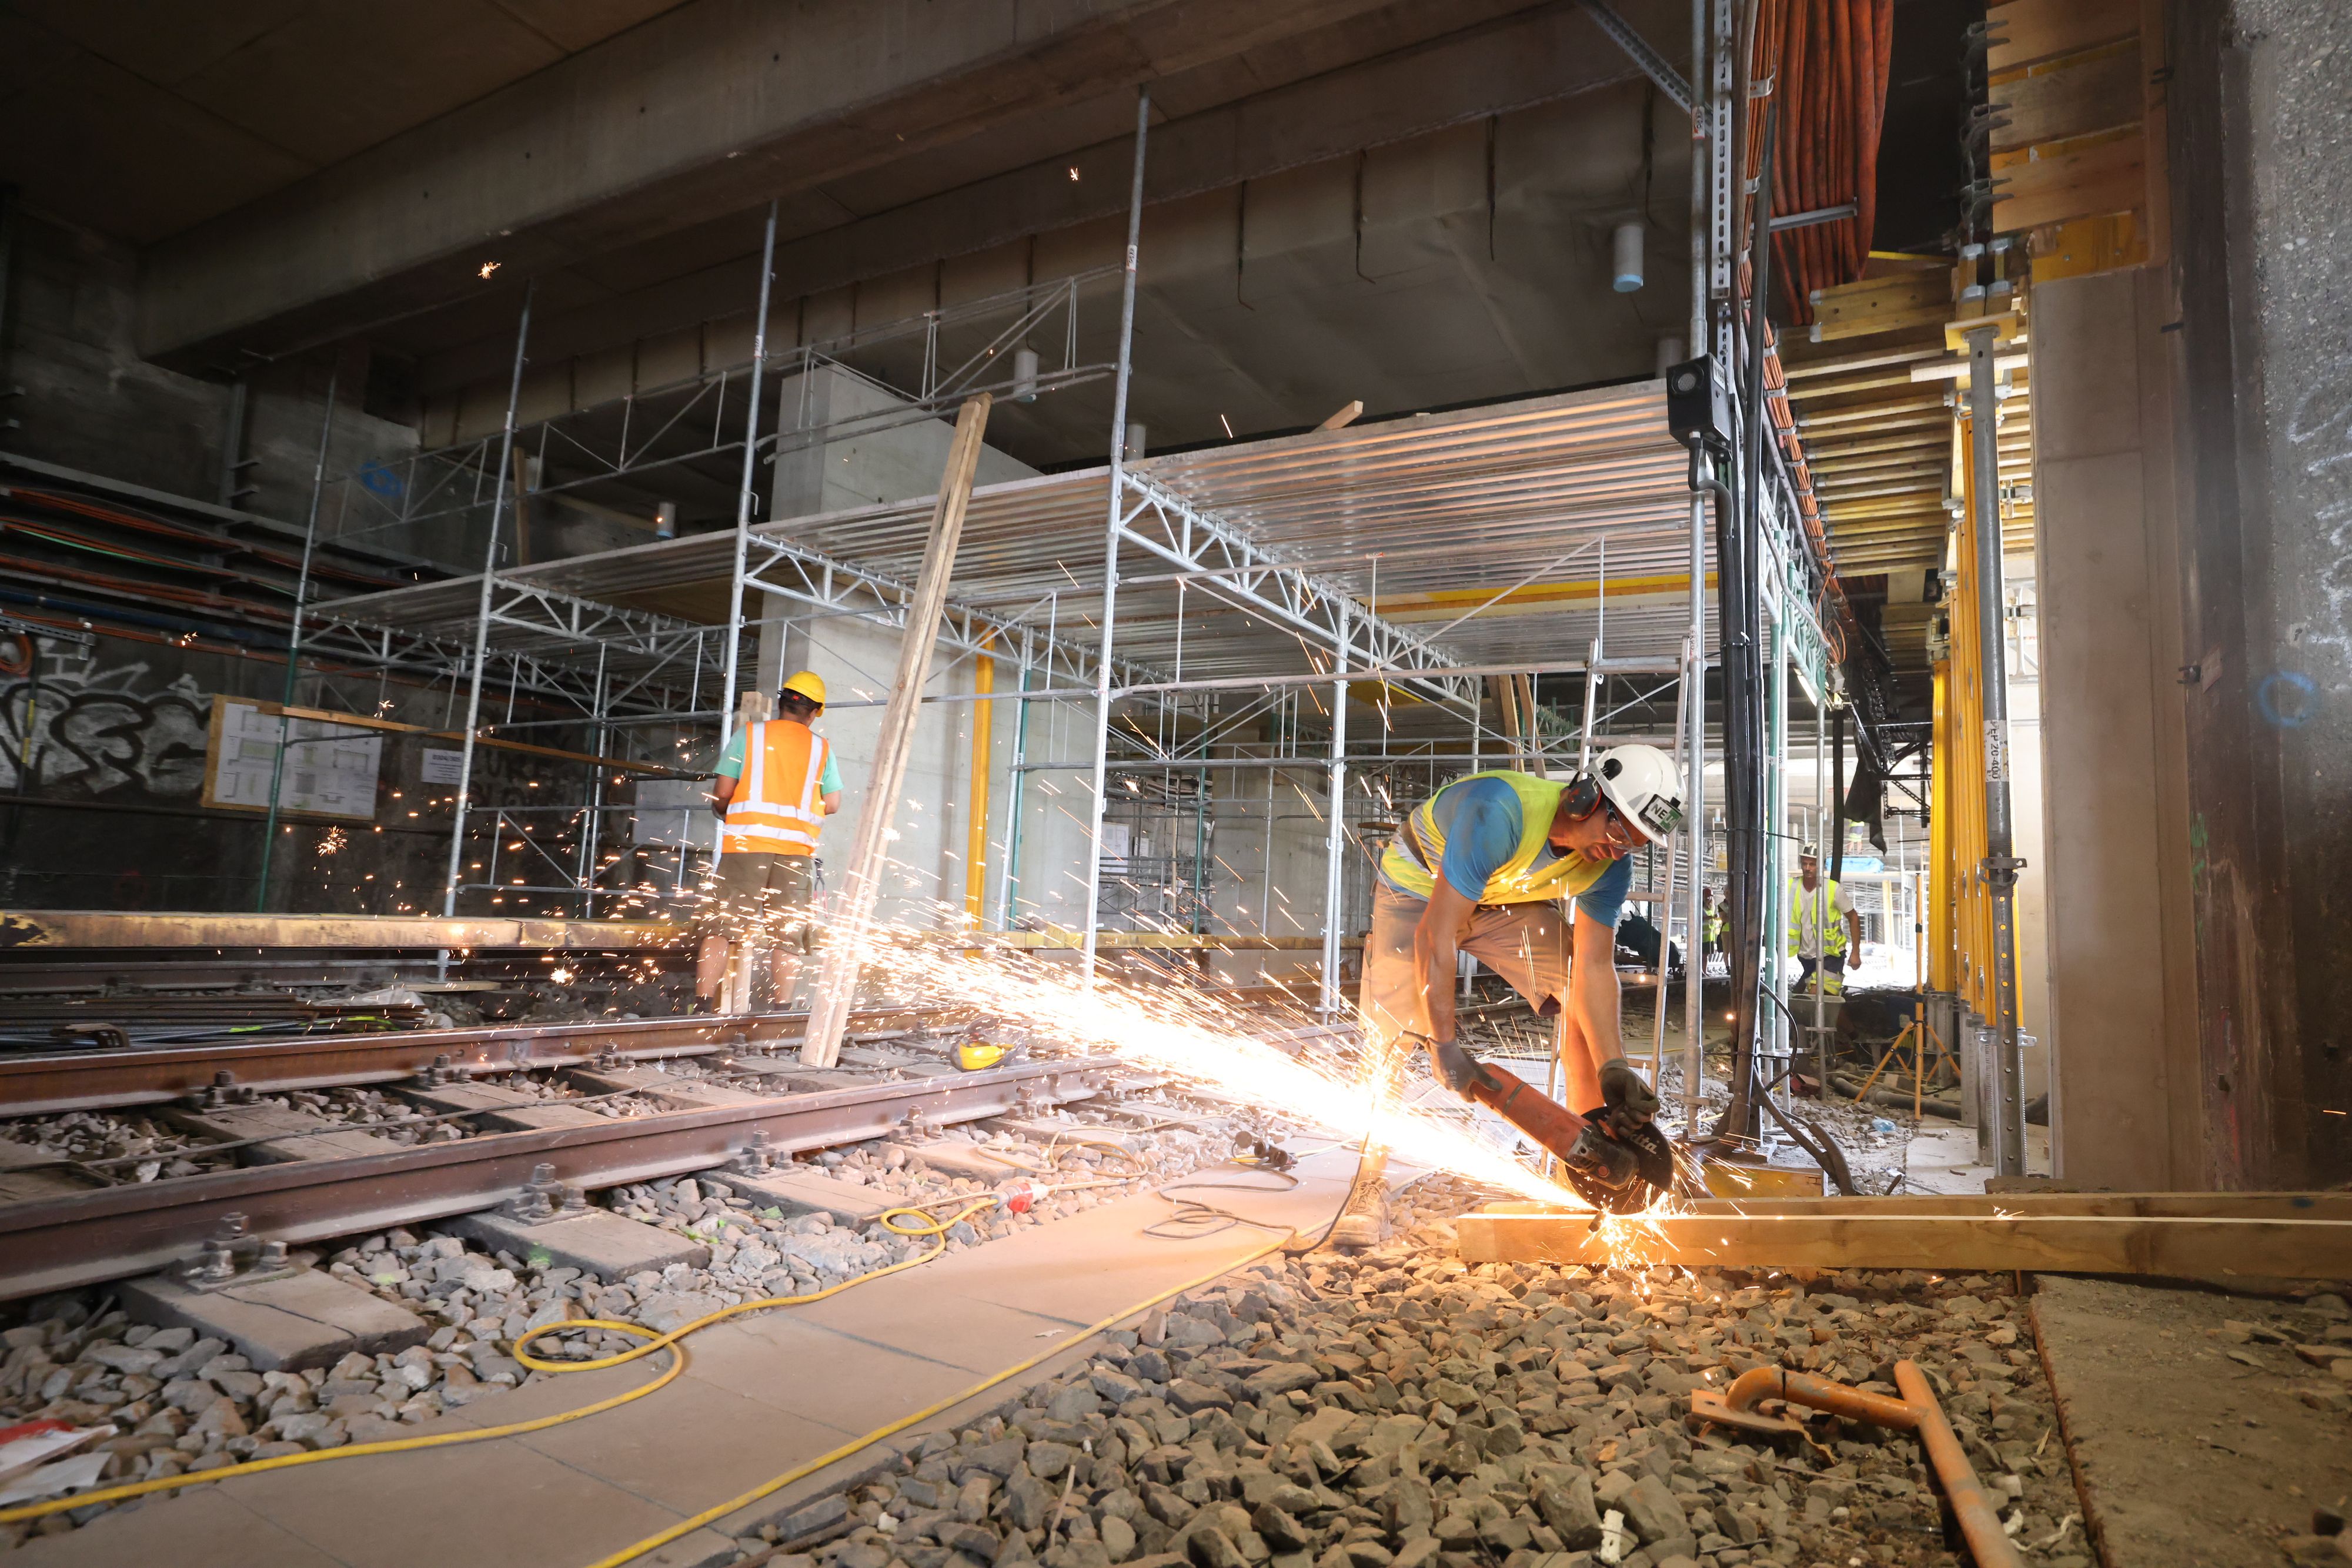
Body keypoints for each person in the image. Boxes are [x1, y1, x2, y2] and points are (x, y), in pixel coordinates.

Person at [1331, 744, 1686, 1246]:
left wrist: (1614, 1066)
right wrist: (1445, 1043)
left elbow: (1592, 966)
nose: (1620, 847)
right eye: (1619, 830)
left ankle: (1592, 1150)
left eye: (1636, 841)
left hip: (1500, 898)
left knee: (1574, 988)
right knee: (1393, 1032)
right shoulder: (1497, 812)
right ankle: (1368, 1182)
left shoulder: (1610, 866)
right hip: (1418, 890)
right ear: (1587, 796)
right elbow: (1436, 936)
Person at [699, 671, 843, 1011]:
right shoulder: (821, 749)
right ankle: (781, 1010)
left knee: (721, 926)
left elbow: (722, 792)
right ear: (814, 712)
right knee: (787, 935)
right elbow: (833, 804)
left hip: (746, 847)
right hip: (795, 854)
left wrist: (724, 810)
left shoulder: (748, 735)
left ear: (782, 703)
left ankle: (701, 1007)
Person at [1788, 844, 1860, 996]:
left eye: (1812, 864)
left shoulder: (1833, 890)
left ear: (1822, 866)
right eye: (1805, 863)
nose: (1808, 868)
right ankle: (1837, 1018)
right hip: (1806, 957)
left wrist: (1856, 952)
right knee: (1807, 999)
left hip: (1831, 955)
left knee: (1814, 996)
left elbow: (1853, 917)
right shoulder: (1791, 887)